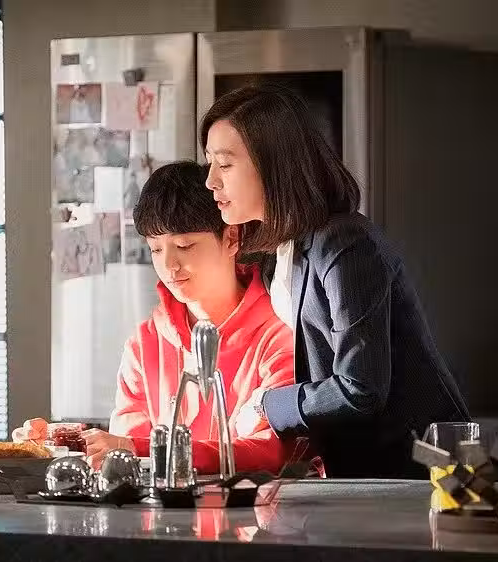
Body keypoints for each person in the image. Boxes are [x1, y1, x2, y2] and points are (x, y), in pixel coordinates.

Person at [201, 83, 471, 478]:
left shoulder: (345, 242)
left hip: (417, 470)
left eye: (224, 165)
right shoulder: (282, 250)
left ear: (275, 164)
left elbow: (361, 388)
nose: (210, 181)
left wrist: (267, 404)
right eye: (209, 163)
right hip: (364, 469)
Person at [37, 161, 296, 474]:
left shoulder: (280, 332)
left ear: (231, 239)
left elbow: (272, 449)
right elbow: (125, 453)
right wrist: (52, 446)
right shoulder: (144, 343)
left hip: (257, 504)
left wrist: (137, 448)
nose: (169, 264)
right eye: (156, 249)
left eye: (184, 246)